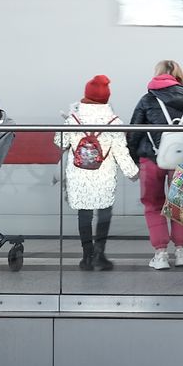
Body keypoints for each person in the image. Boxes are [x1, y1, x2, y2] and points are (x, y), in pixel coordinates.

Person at [54, 75, 138, 271]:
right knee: (104, 212)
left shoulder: (74, 118)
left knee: (84, 213)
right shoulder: (114, 121)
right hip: (104, 175)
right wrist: (132, 173)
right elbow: (121, 152)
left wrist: (68, 123)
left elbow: (60, 143)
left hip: (79, 174)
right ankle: (100, 254)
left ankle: (87, 256)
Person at [126, 60, 183, 270]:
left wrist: (132, 160)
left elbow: (134, 132)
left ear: (157, 74)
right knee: (180, 205)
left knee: (153, 205)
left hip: (151, 159)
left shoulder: (148, 99)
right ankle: (181, 251)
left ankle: (160, 255)